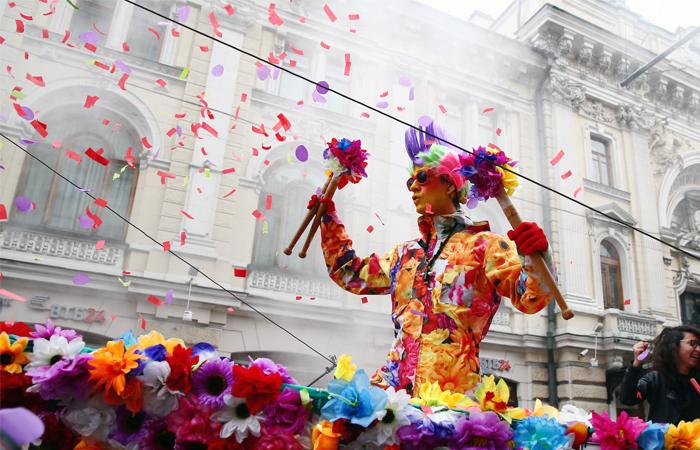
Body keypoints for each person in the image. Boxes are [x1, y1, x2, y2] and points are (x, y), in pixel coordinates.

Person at [316, 122, 554, 395]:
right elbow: (350, 275)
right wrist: (328, 217)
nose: (412, 189)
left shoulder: (485, 246)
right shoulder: (404, 255)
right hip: (395, 395)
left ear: (450, 185)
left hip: (452, 397)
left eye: (421, 178)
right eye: (409, 181)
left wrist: (537, 257)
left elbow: (531, 297)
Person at [619, 325, 700, 423]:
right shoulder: (655, 379)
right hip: (664, 437)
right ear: (674, 345)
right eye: (693, 343)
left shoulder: (697, 381)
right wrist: (636, 363)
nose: (698, 349)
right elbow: (628, 398)